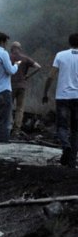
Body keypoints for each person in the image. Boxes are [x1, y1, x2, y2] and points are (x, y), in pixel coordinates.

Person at [42, 33, 78, 167]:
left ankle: (66, 146)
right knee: (75, 129)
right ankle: (72, 160)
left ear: (69, 42)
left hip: (63, 97)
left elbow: (51, 76)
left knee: (62, 126)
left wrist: (45, 93)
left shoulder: (61, 55)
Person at [9, 41, 41, 137]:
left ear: (11, 49)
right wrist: (27, 76)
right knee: (20, 109)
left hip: (10, 86)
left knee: (8, 107)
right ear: (20, 49)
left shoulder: (8, 57)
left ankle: (8, 127)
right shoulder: (25, 58)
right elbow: (38, 67)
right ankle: (16, 130)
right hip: (22, 86)